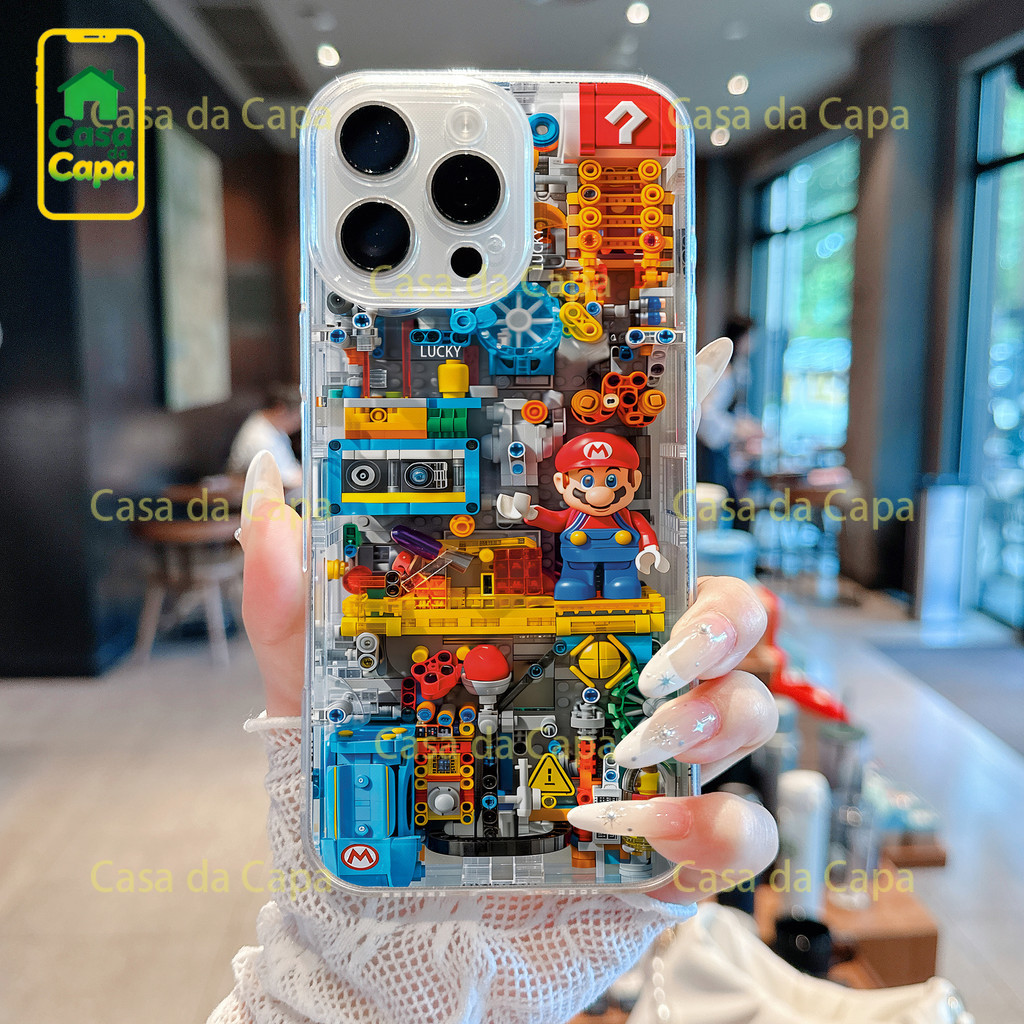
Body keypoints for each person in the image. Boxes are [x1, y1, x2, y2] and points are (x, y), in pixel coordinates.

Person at [211, 344, 779, 1024]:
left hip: (590, 615)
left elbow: (578, 529)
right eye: (586, 476)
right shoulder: (490, 533)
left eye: (612, 477)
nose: (598, 488)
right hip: (541, 621)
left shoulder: (606, 516)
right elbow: (533, 522)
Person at [695, 316, 762, 499]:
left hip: (720, 444)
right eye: (750, 337)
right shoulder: (724, 374)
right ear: (741, 338)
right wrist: (734, 428)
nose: (753, 343)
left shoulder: (738, 368)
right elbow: (707, 411)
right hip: (712, 447)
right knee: (721, 495)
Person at [228, 384, 303, 491]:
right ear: (280, 409)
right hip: (260, 490)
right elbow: (283, 481)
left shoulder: (274, 426)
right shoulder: (260, 438)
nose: (299, 423)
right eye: (297, 417)